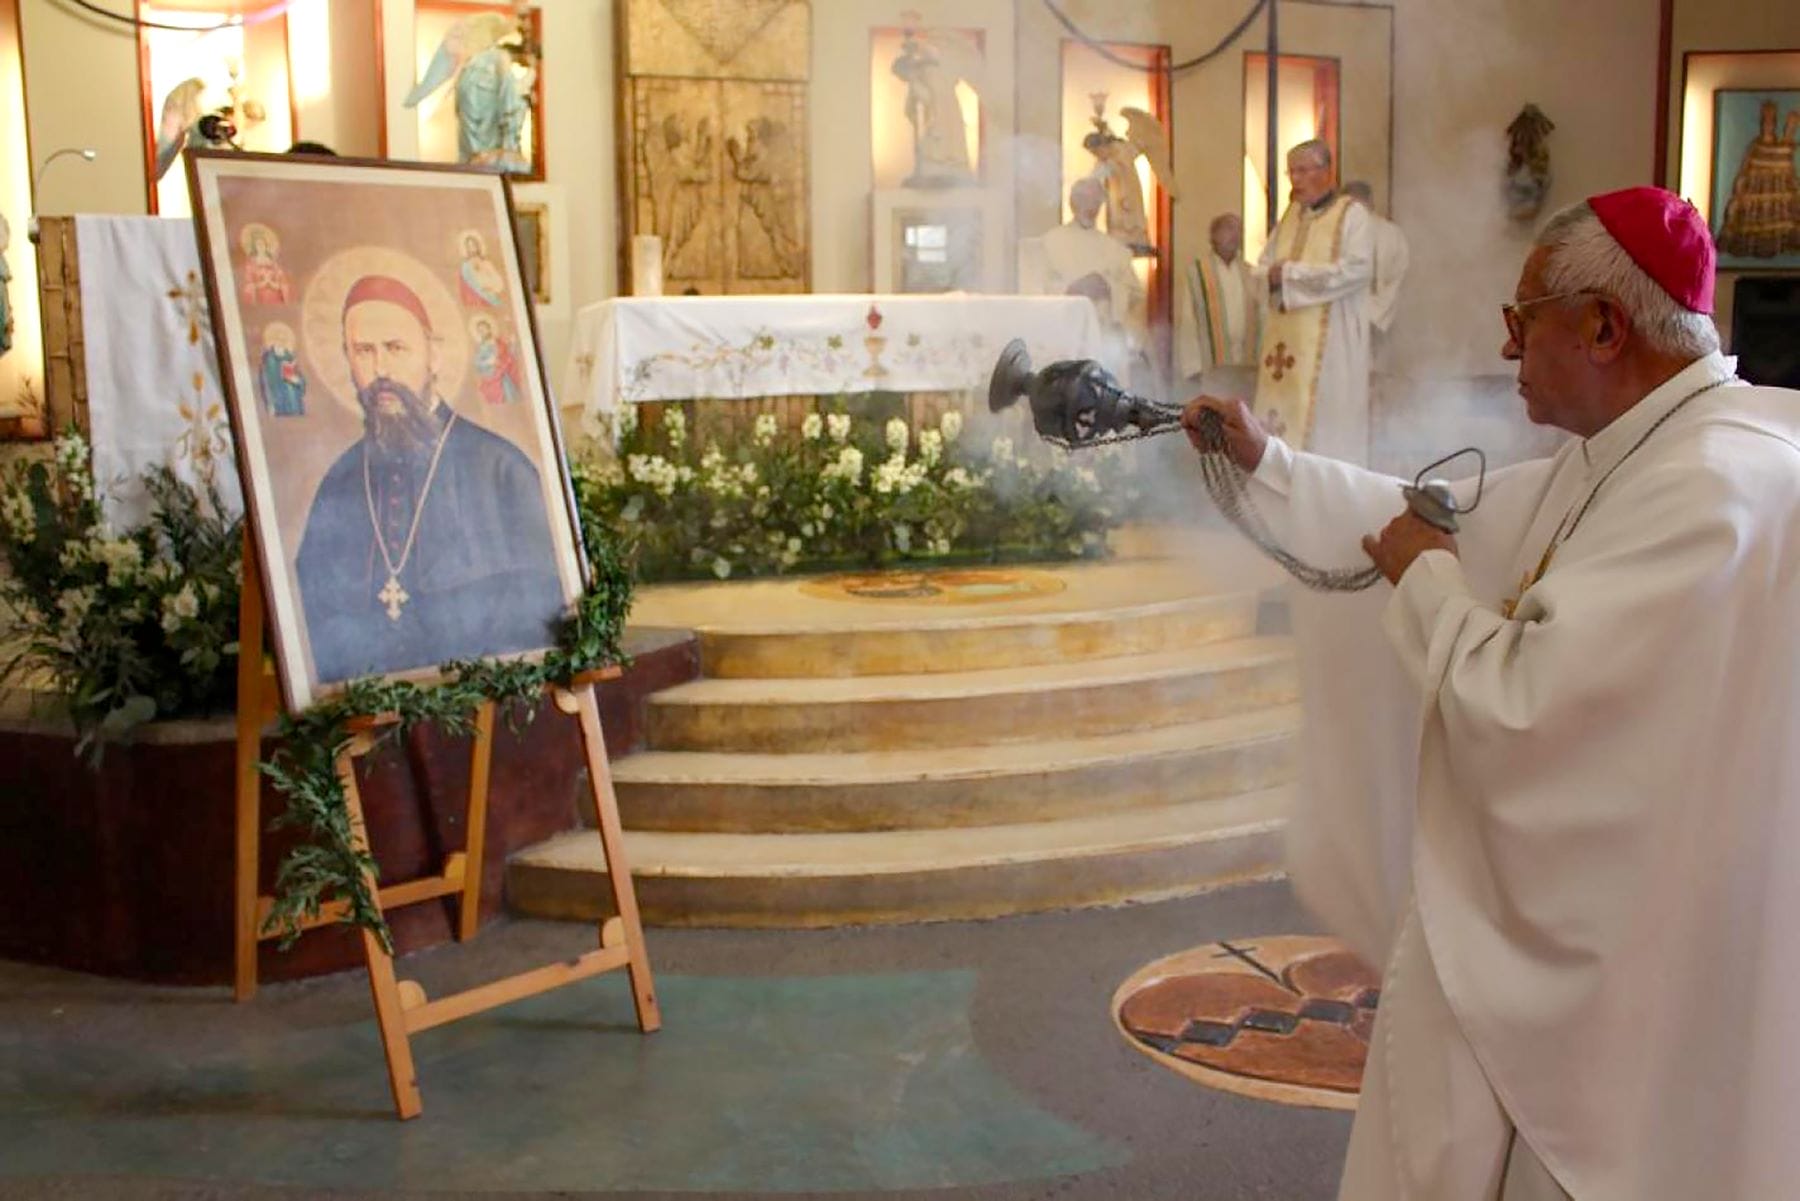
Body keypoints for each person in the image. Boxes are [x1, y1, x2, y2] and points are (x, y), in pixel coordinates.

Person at [1182, 186, 1800, 1200]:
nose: (1508, 349)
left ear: (1603, 326)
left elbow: (1532, 709)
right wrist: (1271, 463)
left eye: (1523, 319)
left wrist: (1422, 577)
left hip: (1651, 954)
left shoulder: (1712, 487)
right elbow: (1436, 516)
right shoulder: (1637, 453)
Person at [295, 274, 566, 684]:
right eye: (363, 351)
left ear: (432, 355)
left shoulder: (501, 469)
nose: (380, 368)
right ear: (347, 360)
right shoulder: (340, 480)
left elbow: (538, 613)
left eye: (395, 347)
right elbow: (315, 610)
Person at [1254, 139, 1374, 463]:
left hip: (1331, 341)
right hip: (1284, 340)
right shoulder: (1291, 215)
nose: (1295, 179)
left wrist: (1291, 274)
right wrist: (1270, 276)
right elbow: (1262, 265)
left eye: (1304, 170)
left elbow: (1358, 270)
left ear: (1327, 171)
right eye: (1291, 171)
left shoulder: (1352, 215)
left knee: (1328, 426)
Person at [1024, 178, 1145, 369]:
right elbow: (1034, 290)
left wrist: (1109, 289)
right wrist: (1070, 289)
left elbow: (1135, 294)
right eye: (1084, 200)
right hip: (1065, 337)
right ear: (1073, 203)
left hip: (1105, 340)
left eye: (1096, 201)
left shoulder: (1114, 248)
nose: (1091, 207)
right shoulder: (1050, 242)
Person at [1178, 212, 1261, 398]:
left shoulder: (1250, 272)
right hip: (1213, 367)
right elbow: (1188, 320)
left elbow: (1261, 316)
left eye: (1239, 230)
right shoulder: (1198, 274)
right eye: (1229, 229)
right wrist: (1193, 365)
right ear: (1213, 235)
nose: (1235, 235)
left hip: (1246, 367)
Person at [1344, 181, 1408, 338]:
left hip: (1347, 319)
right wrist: (1378, 312)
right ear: (1371, 201)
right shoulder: (1393, 233)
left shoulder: (1339, 234)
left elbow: (1401, 277)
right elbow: (1399, 279)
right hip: (1380, 319)